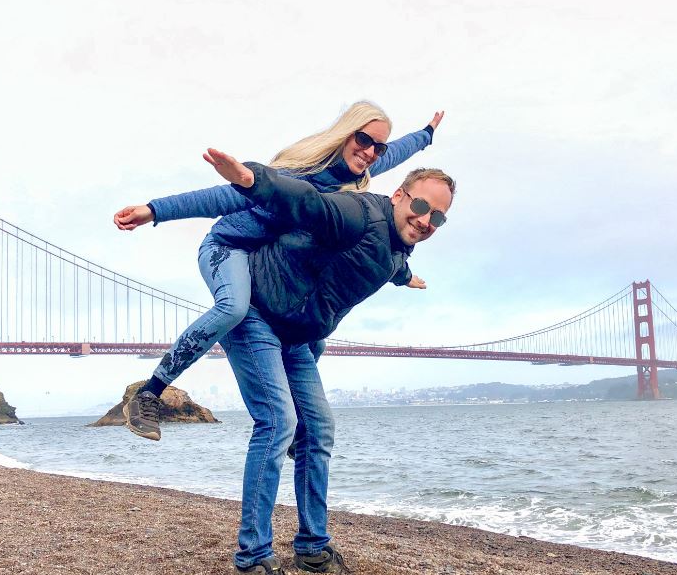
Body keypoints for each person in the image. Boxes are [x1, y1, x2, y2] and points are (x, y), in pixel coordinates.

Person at [200, 148, 455, 575]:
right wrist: (250, 179)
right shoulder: (359, 212)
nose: (425, 221)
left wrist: (406, 277)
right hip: (257, 313)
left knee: (318, 431)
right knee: (279, 423)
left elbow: (393, 258)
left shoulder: (399, 246)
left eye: (438, 219)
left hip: (296, 333)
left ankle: (312, 547)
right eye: (420, 207)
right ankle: (251, 561)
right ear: (399, 196)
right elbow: (306, 201)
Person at [113, 103, 444, 441]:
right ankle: (150, 393)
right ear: (347, 134)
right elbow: (223, 197)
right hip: (230, 247)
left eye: (379, 146)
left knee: (313, 341)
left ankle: (300, 428)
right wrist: (153, 211)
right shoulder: (302, 174)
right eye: (364, 139)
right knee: (234, 306)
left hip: (265, 260)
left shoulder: (360, 177)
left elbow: (397, 162)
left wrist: (426, 135)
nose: (371, 152)